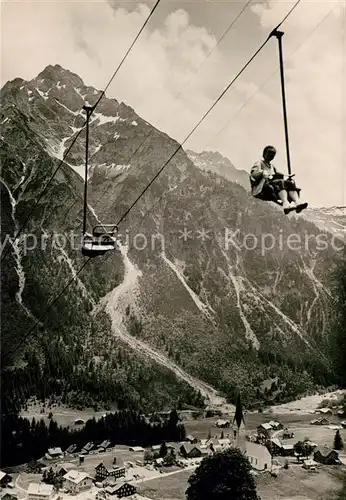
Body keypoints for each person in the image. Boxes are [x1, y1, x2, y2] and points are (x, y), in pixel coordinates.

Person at [250, 145, 308, 215]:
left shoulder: (272, 166)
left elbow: (278, 174)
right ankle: (285, 203)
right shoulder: (259, 163)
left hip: (273, 186)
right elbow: (253, 174)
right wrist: (262, 173)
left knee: (290, 183)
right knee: (280, 182)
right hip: (262, 187)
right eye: (269, 153)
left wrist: (287, 176)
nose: (270, 156)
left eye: (272, 155)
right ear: (264, 154)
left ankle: (297, 202)